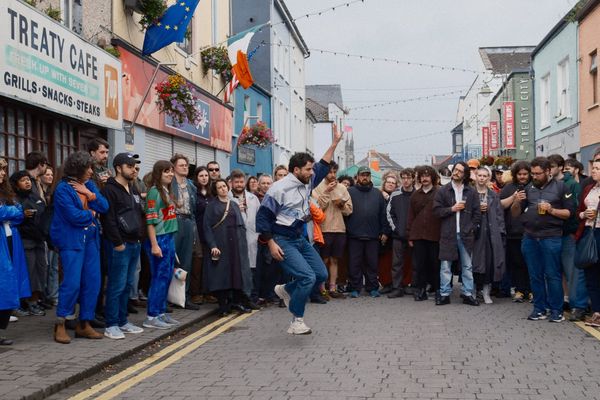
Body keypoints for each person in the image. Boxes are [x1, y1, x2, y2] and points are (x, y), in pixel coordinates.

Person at [256, 130, 342, 334]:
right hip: (282, 239)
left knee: (320, 274)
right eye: (308, 169)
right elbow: (262, 218)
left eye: (312, 170)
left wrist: (335, 142)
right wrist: (270, 243)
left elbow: (323, 162)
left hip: (299, 237)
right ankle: (297, 320)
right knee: (306, 278)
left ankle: (285, 289)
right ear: (296, 170)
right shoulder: (278, 189)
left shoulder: (308, 181)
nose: (313, 173)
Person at [51, 151, 109, 344]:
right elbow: (73, 216)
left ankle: (84, 324)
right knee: (72, 282)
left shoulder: (89, 185)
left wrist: (90, 195)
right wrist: (92, 214)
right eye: (88, 168)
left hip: (91, 239)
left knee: (93, 282)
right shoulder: (62, 189)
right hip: (71, 240)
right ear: (78, 169)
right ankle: (60, 323)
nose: (91, 171)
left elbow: (105, 206)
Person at [511, 157, 576, 322]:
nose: (534, 176)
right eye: (532, 173)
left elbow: (569, 213)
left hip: (551, 237)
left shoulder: (561, 187)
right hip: (530, 237)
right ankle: (539, 308)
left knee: (552, 275)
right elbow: (515, 213)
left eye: (538, 173)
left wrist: (551, 210)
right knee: (535, 275)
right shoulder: (528, 188)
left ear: (548, 172)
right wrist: (516, 201)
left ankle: (556, 310)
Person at [101, 153, 145, 339]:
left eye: (134, 165)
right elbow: (108, 219)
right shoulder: (109, 190)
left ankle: (122, 320)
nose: (133, 169)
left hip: (134, 243)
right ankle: (111, 324)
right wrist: (118, 243)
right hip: (119, 245)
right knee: (116, 285)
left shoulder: (133, 189)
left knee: (127, 285)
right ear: (118, 168)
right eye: (129, 166)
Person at [433, 162, 481, 306]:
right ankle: (444, 294)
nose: (456, 173)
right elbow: (436, 211)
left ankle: (467, 293)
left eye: (460, 171)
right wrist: (452, 209)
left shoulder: (471, 191)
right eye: (455, 170)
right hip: (448, 233)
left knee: (467, 266)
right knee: (445, 265)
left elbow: (477, 214)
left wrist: (471, 228)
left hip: (466, 234)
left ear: (465, 174)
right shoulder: (443, 190)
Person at [204, 179, 253, 316]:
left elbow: (241, 225)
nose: (223, 189)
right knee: (221, 274)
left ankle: (236, 302)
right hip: (221, 242)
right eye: (219, 187)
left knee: (236, 273)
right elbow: (207, 227)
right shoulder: (211, 206)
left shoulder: (234, 204)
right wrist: (212, 245)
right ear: (216, 190)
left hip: (235, 244)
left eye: (224, 186)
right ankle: (223, 305)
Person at [547, 154, 587, 320]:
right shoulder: (548, 184)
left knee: (572, 272)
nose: (549, 171)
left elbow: (576, 211)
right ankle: (560, 302)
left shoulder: (571, 185)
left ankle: (578, 305)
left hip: (567, 234)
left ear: (561, 167)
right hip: (551, 234)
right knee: (555, 272)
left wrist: (572, 231)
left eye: (552, 167)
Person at [143, 160, 180, 329]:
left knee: (166, 277)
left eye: (171, 171)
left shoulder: (166, 191)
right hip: (159, 239)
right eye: (167, 172)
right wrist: (154, 245)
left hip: (169, 238)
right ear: (158, 173)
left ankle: (161, 312)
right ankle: (151, 316)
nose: (170, 174)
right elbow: (149, 222)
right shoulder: (153, 192)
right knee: (158, 277)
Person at [345, 166, 391, 298]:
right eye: (362, 175)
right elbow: (345, 213)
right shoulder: (350, 192)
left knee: (372, 263)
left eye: (367, 175)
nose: (365, 177)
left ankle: (373, 287)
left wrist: (384, 231)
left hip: (373, 235)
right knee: (354, 264)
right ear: (358, 177)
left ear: (370, 176)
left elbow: (383, 214)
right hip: (354, 235)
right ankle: (355, 287)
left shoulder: (377, 193)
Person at [0, 158, 31, 345]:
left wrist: (7, 210)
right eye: (0, 169)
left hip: (10, 239)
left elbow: (20, 213)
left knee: (9, 283)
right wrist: (9, 211)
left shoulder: (6, 192)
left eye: (4, 169)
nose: (3, 173)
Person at [312, 161, 352, 299]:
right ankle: (322, 288)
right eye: (330, 172)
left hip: (339, 229)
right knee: (323, 260)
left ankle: (332, 287)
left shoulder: (342, 188)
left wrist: (341, 205)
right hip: (323, 229)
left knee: (335, 260)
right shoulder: (317, 187)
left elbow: (349, 211)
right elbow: (317, 208)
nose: (333, 175)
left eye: (335, 172)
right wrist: (327, 192)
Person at [10, 171, 48, 316]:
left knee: (41, 269)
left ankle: (35, 300)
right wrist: (23, 215)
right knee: (28, 271)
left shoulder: (35, 196)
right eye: (23, 180)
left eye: (28, 180)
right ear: (15, 184)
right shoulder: (14, 199)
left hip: (39, 239)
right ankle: (26, 302)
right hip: (24, 240)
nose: (27, 182)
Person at [472, 167, 506, 304]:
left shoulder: (493, 195)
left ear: (488, 178)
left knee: (489, 263)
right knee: (473, 263)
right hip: (474, 234)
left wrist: (501, 233)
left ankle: (486, 292)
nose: (482, 178)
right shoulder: (469, 194)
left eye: (485, 176)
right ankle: (472, 290)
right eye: (479, 175)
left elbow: (499, 216)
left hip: (491, 234)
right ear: (475, 176)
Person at [407, 166, 441, 301]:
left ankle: (438, 290)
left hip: (435, 234)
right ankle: (421, 290)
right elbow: (410, 216)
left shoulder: (440, 193)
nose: (424, 178)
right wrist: (409, 234)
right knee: (419, 265)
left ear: (432, 177)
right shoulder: (415, 195)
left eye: (427, 175)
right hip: (419, 234)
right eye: (422, 176)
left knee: (435, 264)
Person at [170, 154, 199, 310]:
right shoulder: (168, 183)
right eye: (181, 165)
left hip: (188, 222)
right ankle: (169, 297)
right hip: (174, 222)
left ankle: (184, 297)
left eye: (186, 165)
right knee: (173, 260)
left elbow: (193, 208)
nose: (185, 167)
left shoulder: (191, 185)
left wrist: (193, 226)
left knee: (186, 261)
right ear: (173, 167)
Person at [500, 161, 532, 303]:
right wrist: (514, 198)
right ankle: (519, 289)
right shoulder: (508, 188)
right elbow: (500, 206)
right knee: (517, 262)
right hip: (513, 231)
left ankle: (531, 290)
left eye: (525, 174)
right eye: (520, 174)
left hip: (531, 231)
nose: (522, 177)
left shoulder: (534, 187)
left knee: (530, 263)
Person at [228, 169, 261, 308]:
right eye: (236, 182)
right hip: (234, 238)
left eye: (242, 182)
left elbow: (259, 217)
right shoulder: (227, 197)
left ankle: (250, 298)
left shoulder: (253, 198)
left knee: (251, 270)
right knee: (237, 269)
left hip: (252, 237)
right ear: (231, 183)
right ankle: (238, 299)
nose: (239, 184)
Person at [575, 158, 600, 327]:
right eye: (593, 168)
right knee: (590, 274)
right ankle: (596, 312)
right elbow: (579, 212)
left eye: (598, 168)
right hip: (589, 232)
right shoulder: (589, 188)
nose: (594, 171)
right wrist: (584, 215)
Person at [386, 168, 415, 298]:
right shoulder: (395, 194)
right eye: (403, 178)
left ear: (413, 178)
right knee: (396, 263)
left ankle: (412, 286)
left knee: (415, 263)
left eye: (408, 177)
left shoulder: (417, 195)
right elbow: (389, 213)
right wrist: (396, 229)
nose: (406, 180)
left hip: (414, 236)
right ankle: (396, 288)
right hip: (398, 235)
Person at [191, 166, 211, 305]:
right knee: (197, 262)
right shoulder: (194, 192)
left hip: (210, 233)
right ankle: (195, 293)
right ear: (196, 177)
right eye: (201, 176)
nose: (204, 178)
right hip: (197, 231)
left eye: (206, 175)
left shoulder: (211, 193)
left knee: (209, 263)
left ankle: (207, 292)